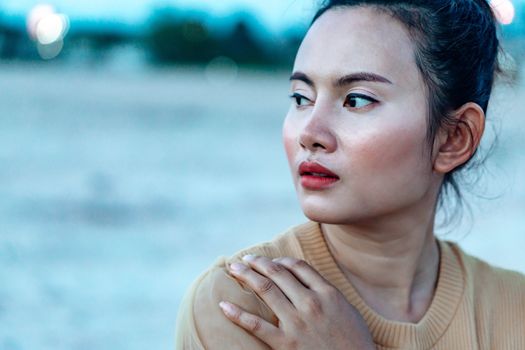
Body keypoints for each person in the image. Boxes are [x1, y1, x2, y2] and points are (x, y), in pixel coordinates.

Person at [175, 0, 525, 349]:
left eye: (356, 100)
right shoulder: (242, 302)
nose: (310, 133)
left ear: (454, 138)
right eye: (301, 98)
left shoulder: (514, 310)